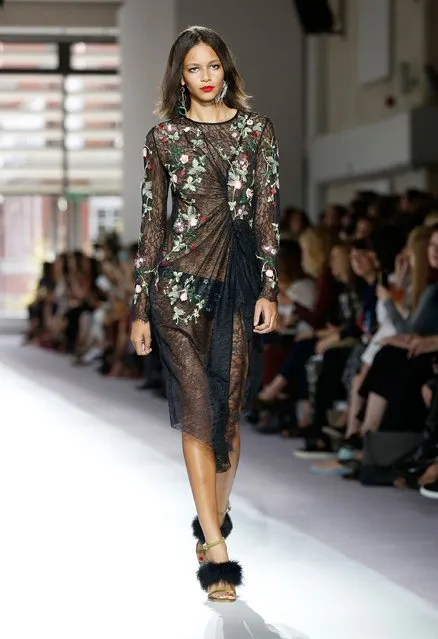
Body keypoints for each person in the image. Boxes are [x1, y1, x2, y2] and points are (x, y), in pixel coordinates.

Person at [129, 26, 279, 602]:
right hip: (177, 289)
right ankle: (216, 548)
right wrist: (140, 305)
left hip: (238, 284)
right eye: (194, 68)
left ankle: (211, 514)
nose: (207, 76)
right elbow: (152, 225)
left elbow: (268, 216)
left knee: (228, 415)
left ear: (225, 69)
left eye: (213, 64)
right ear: (180, 77)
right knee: (196, 408)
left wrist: (270, 288)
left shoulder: (255, 132)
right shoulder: (163, 138)